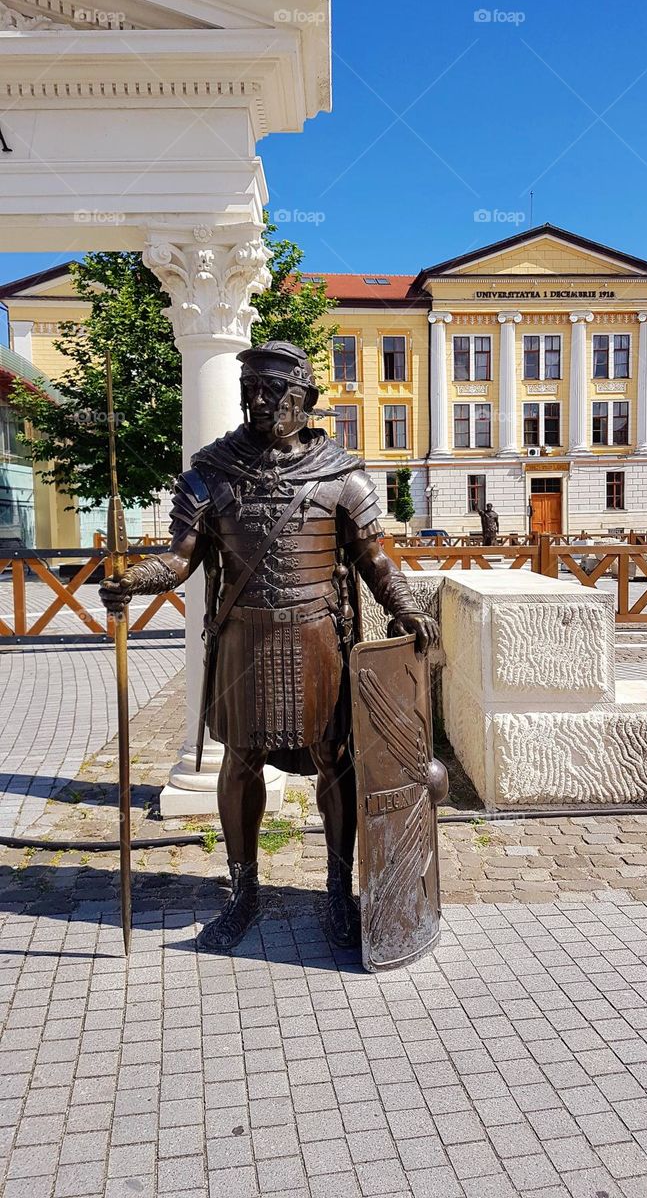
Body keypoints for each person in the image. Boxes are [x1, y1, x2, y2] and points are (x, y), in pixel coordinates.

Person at [100, 341, 439, 953]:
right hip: (244, 640)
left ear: (303, 400)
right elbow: (180, 559)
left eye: (273, 394)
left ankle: (339, 887)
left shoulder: (342, 474)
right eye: (249, 391)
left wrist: (406, 605)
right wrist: (134, 579)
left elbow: (375, 559)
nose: (258, 403)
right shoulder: (212, 471)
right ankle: (244, 889)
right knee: (240, 759)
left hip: (318, 640)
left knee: (334, 759)